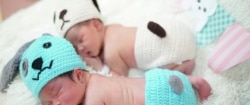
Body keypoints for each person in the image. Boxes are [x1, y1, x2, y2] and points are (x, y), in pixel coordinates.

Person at [18, 34, 221, 105]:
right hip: (162, 81)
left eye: (57, 93)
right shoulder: (96, 78)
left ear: (79, 75)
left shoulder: (92, 104)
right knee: (162, 78)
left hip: (162, 104)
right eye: (48, 103)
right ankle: (193, 81)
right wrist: (53, 99)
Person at [53, 0, 197, 76]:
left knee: (157, 75)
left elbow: (119, 77)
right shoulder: (113, 28)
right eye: (75, 47)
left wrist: (100, 67)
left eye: (81, 39)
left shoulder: (111, 53)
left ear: (96, 25)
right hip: (179, 30)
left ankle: (181, 67)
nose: (80, 48)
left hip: (172, 51)